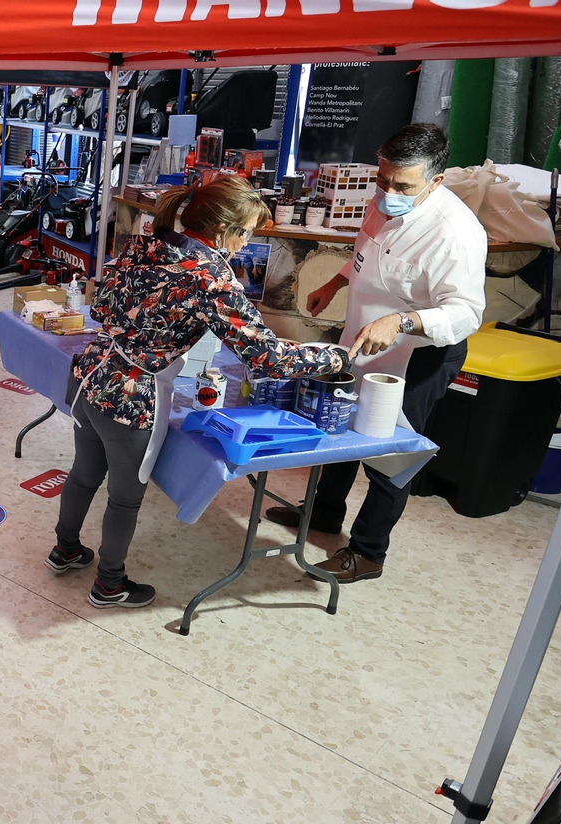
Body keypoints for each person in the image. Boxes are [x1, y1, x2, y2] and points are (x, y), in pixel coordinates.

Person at [49, 176, 350, 608]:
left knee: (83, 473)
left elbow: (100, 306)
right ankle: (109, 585)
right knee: (125, 497)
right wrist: (333, 358)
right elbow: (267, 359)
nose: (246, 244)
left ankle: (65, 550)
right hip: (134, 393)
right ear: (222, 229)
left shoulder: (146, 244)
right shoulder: (211, 278)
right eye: (246, 233)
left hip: (91, 374)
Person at [265, 123, 487, 583]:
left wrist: (401, 322)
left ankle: (368, 553)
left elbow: (466, 313)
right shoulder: (384, 199)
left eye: (402, 185)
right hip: (363, 341)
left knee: (391, 454)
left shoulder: (456, 234)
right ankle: (324, 512)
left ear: (435, 181)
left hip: (418, 355)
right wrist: (335, 281)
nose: (388, 193)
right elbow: (371, 252)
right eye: (382, 180)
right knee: (343, 424)